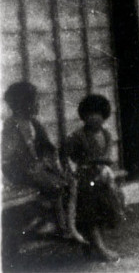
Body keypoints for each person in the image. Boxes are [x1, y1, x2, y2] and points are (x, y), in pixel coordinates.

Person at [1, 81, 83, 244]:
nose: (38, 105)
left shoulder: (35, 124)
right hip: (21, 172)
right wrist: (31, 166)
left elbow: (48, 148)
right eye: (34, 101)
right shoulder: (11, 126)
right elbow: (7, 154)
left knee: (71, 182)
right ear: (22, 104)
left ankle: (70, 225)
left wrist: (48, 162)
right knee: (56, 186)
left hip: (40, 168)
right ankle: (63, 227)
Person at [64, 94, 125, 262]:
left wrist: (102, 163)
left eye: (98, 113)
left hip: (102, 175)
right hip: (84, 177)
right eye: (90, 114)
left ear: (104, 115)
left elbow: (108, 158)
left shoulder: (106, 135)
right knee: (90, 206)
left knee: (108, 204)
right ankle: (99, 247)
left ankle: (94, 244)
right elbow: (66, 156)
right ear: (83, 116)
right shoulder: (77, 136)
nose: (94, 118)